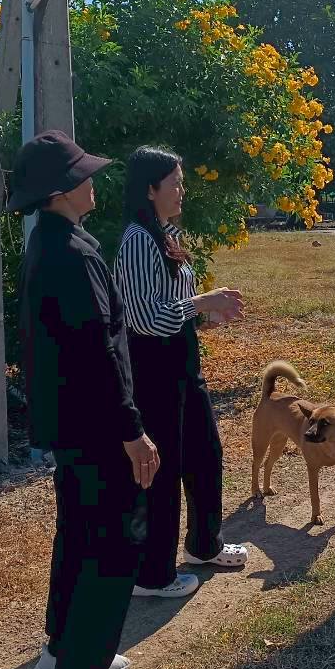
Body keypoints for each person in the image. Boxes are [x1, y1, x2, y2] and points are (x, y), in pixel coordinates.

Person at [13, 130, 161, 669]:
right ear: (61, 190)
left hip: (72, 424)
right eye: (83, 175)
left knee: (77, 534)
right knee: (111, 542)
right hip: (99, 426)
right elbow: (99, 350)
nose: (94, 182)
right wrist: (132, 430)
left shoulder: (50, 242)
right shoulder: (72, 254)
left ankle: (63, 651)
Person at [113, 147, 249, 599]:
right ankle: (151, 574)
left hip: (181, 363)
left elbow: (172, 308)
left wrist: (207, 312)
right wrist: (203, 302)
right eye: (175, 183)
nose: (182, 190)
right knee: (163, 468)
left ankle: (204, 545)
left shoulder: (165, 235)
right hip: (153, 369)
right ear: (150, 190)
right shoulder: (138, 240)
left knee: (205, 453)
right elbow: (145, 318)